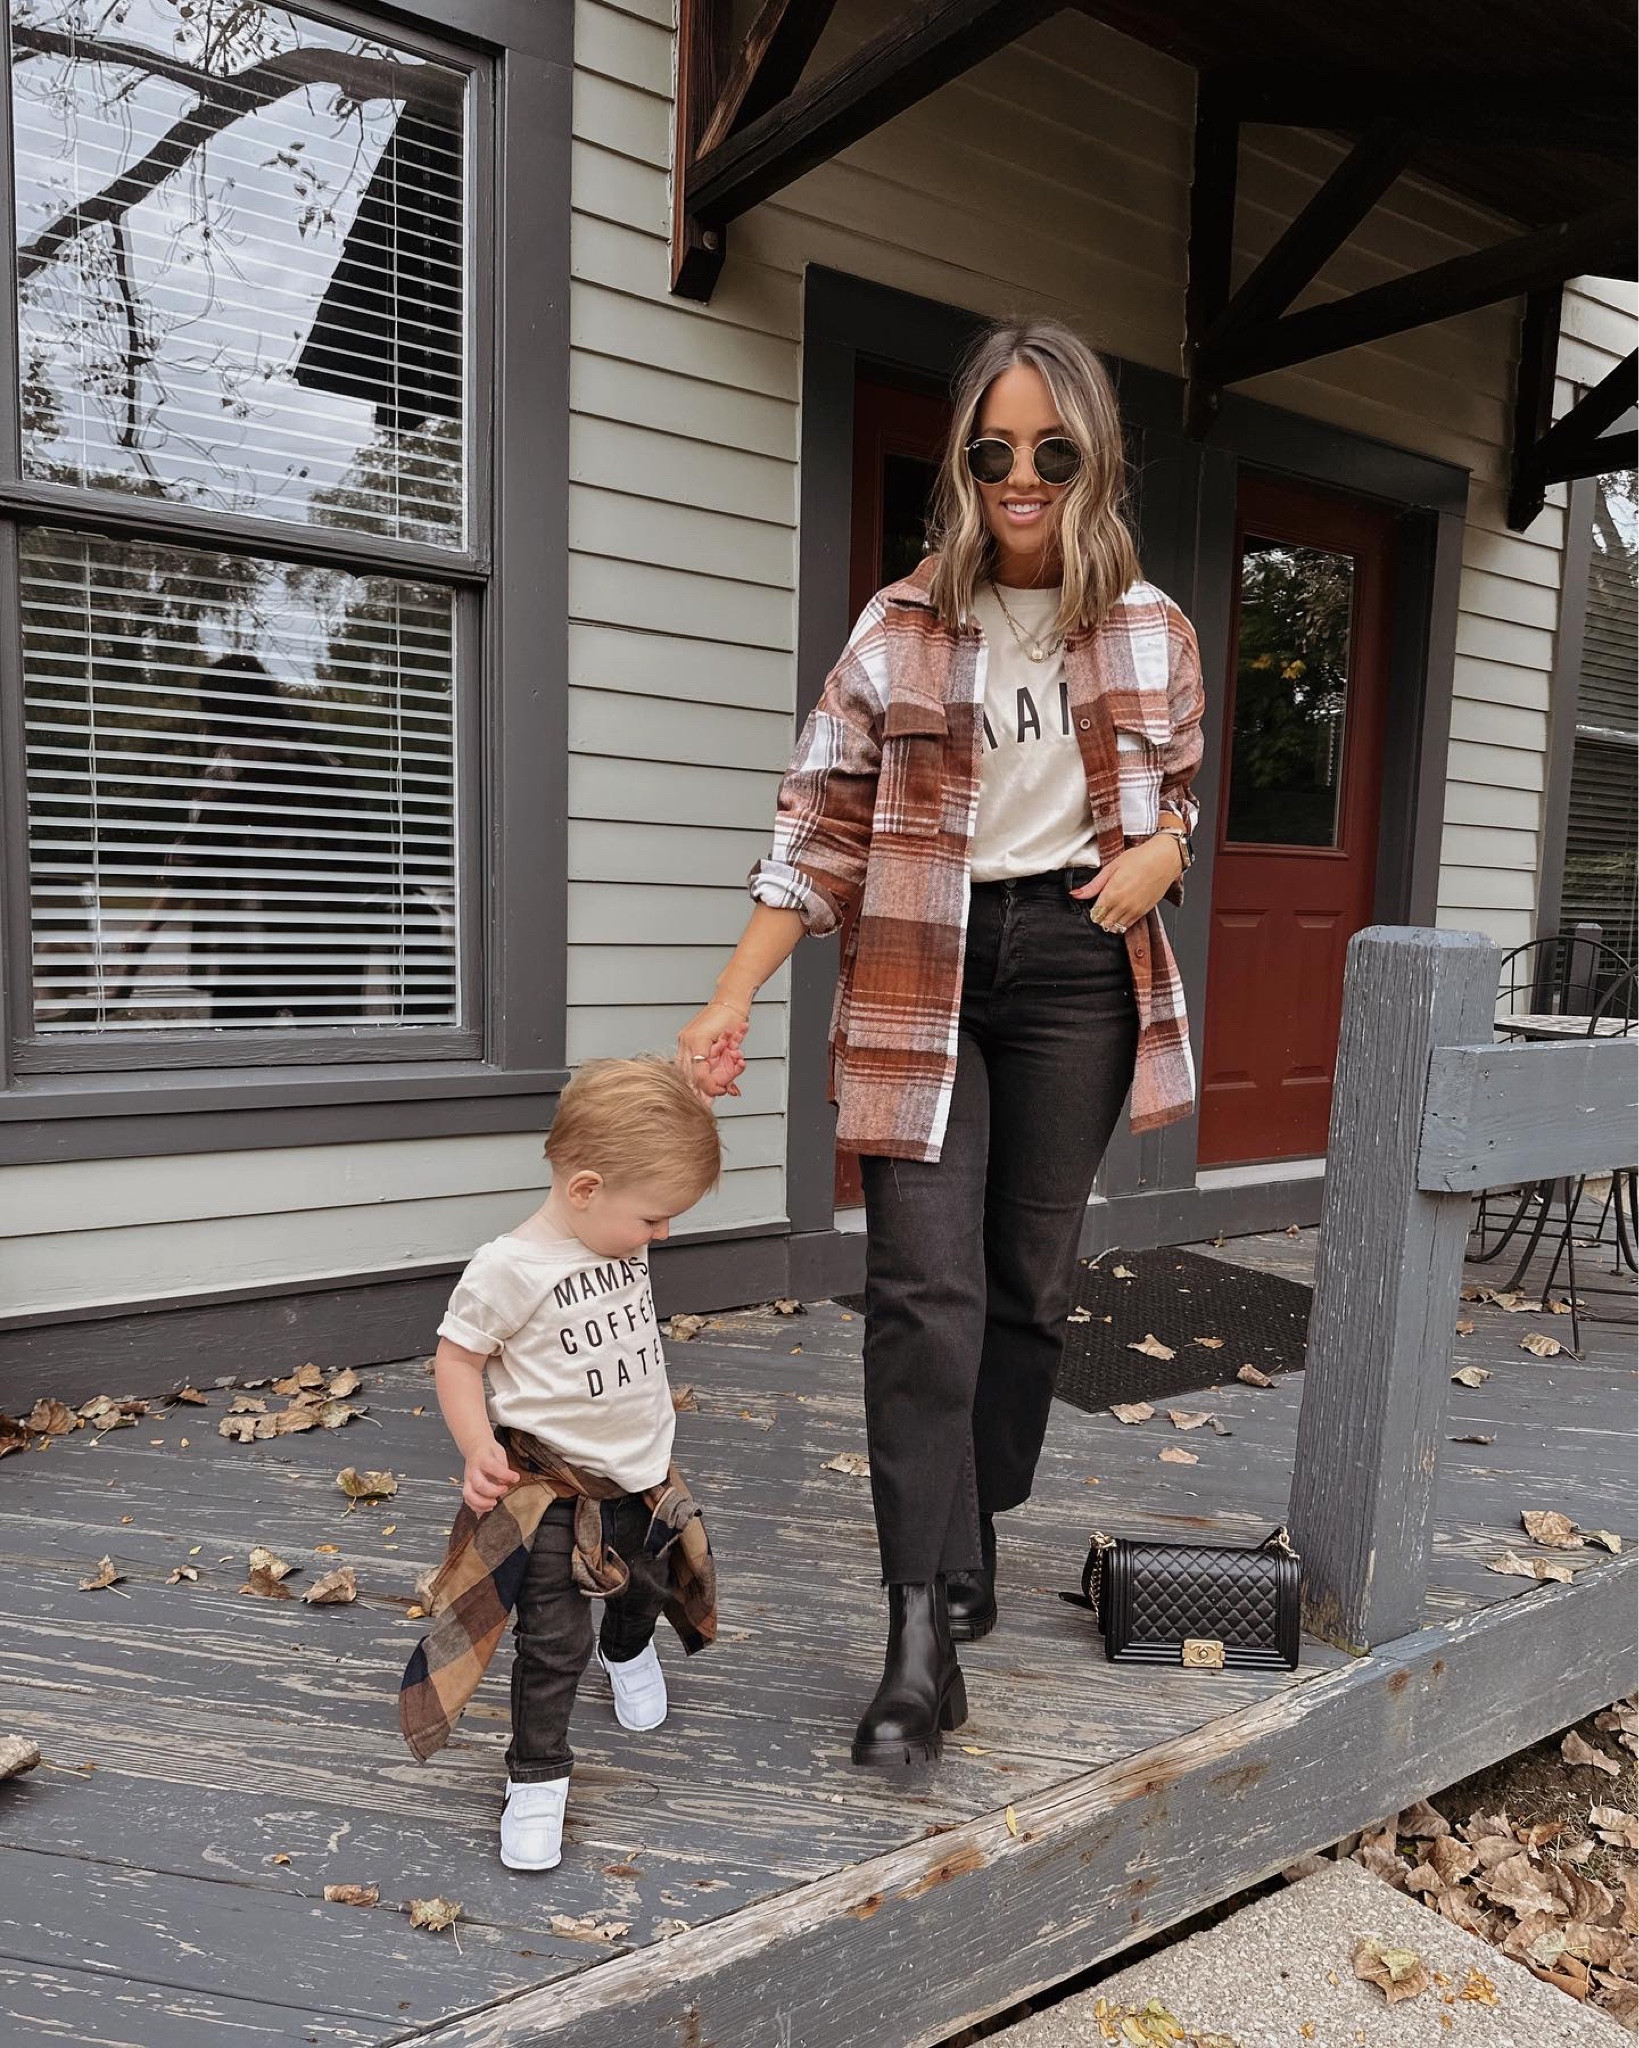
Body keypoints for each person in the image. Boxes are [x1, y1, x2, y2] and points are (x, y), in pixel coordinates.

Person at [677, 319, 1205, 1768]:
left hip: (1076, 977)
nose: (1019, 478)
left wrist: (1167, 846)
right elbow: (817, 829)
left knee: (1026, 1285)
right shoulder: (896, 627)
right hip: (925, 965)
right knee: (921, 1287)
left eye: (1049, 452)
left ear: (1090, 460)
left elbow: (1174, 791)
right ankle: (913, 1634)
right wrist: (729, 997)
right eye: (992, 453)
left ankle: (972, 1521)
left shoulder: (1151, 630)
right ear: (961, 466)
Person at [399, 1055, 736, 1870]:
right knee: (552, 1642)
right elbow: (455, 1360)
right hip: (551, 1494)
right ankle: (538, 1778)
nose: (661, 1237)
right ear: (584, 1190)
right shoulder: (508, 1269)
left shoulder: (612, 1219)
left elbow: (633, 1110)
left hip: (645, 1475)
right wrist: (478, 1447)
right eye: (653, 1220)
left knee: (649, 1587)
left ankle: (627, 1649)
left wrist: (693, 1084)